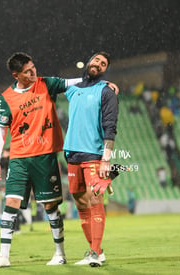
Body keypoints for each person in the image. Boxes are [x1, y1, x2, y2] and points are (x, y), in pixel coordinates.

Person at [0, 52, 82, 268]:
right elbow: (0, 129)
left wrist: (101, 82)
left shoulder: (46, 84)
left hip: (45, 155)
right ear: (16, 75)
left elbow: (74, 81)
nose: (33, 73)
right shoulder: (7, 97)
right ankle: (3, 256)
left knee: (50, 205)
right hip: (19, 157)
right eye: (28, 72)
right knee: (10, 202)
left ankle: (59, 253)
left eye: (33, 68)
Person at [63, 52, 119, 267]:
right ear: (88, 62)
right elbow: (52, 84)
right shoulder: (72, 89)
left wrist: (106, 159)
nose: (99, 64)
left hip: (94, 155)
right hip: (72, 153)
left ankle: (94, 252)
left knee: (95, 199)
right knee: (79, 200)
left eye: (103, 63)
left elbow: (110, 127)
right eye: (96, 60)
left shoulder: (106, 92)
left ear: (105, 70)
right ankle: (97, 251)